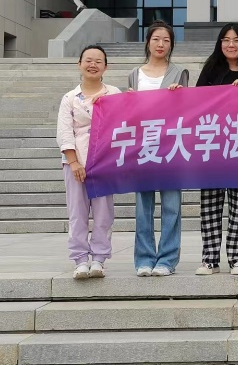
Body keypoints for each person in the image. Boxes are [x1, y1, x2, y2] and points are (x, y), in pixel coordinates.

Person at [194, 22, 238, 276]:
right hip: (213, 144)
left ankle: (236, 258)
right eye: (226, 40)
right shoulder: (211, 69)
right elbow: (196, 102)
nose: (231, 44)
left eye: (236, 40)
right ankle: (209, 259)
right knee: (210, 205)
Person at [128, 20, 189, 277]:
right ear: (148, 42)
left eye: (166, 40)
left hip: (171, 145)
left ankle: (167, 259)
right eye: (156, 39)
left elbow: (187, 109)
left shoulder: (179, 72)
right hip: (143, 146)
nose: (161, 44)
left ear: (172, 44)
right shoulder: (135, 73)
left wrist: (180, 94)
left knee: (171, 205)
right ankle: (144, 258)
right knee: (143, 205)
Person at [57, 45, 122, 280]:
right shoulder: (69, 98)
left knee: (104, 214)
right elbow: (65, 132)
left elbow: (124, 122)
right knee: (77, 214)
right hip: (76, 164)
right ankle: (80, 260)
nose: (92, 64)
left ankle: (99, 259)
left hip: (104, 163)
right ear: (79, 64)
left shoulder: (114, 93)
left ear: (106, 67)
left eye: (98, 61)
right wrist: (74, 162)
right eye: (88, 60)